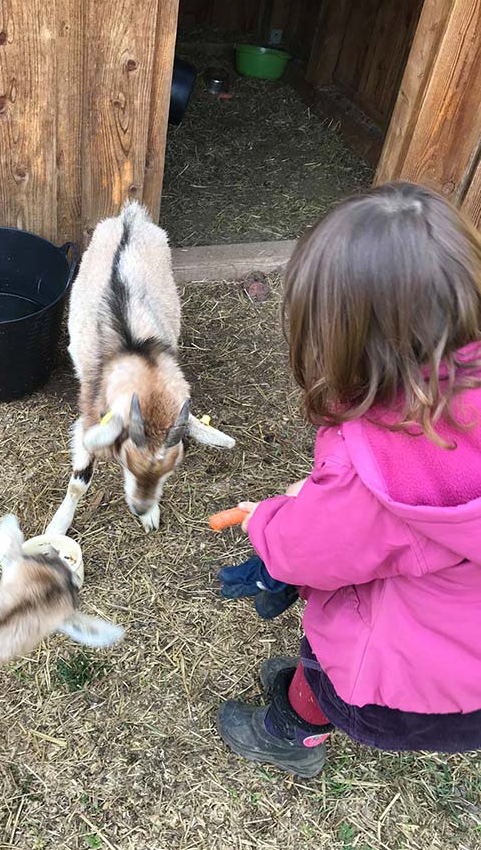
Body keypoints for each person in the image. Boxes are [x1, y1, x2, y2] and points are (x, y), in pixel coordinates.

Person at [217, 182, 481, 778]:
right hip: (470, 661)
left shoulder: (384, 470)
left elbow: (302, 551)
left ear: (349, 344)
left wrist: (264, 520)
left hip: (407, 694)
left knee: (331, 651)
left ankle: (292, 733)